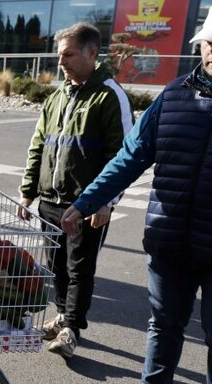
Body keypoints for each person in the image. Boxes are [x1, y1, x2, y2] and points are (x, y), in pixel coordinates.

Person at [60, 13, 212, 384]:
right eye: (209, 43)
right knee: (162, 324)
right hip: (169, 238)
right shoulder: (173, 96)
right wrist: (87, 201)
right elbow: (130, 157)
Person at [16, 22, 133, 359]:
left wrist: (104, 202)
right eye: (59, 55)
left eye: (67, 54)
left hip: (85, 206)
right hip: (50, 201)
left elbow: (122, 156)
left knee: (80, 267)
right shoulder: (56, 97)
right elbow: (38, 146)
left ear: (91, 53)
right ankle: (62, 316)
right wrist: (28, 193)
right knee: (57, 266)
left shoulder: (109, 96)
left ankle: (72, 328)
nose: (61, 62)